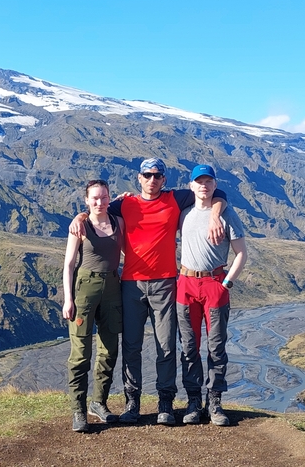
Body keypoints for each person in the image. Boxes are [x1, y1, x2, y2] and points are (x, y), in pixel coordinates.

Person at [70, 158, 226, 425]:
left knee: (165, 345)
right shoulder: (124, 204)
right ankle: (133, 402)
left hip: (165, 284)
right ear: (139, 178)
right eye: (147, 175)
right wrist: (80, 215)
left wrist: (214, 214)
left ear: (164, 179)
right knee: (131, 346)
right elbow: (98, 207)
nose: (152, 180)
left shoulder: (176, 199)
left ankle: (165, 400)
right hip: (131, 285)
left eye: (158, 175)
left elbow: (215, 191)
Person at [176, 164, 248, 427]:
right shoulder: (183, 214)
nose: (204, 186)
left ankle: (214, 401)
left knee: (216, 347)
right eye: (199, 182)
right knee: (189, 347)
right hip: (186, 283)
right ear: (191, 186)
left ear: (215, 185)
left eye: (208, 181)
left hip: (214, 284)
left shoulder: (227, 214)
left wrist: (227, 283)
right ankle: (193, 401)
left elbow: (241, 253)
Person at [62, 179, 125, 433]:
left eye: (104, 197)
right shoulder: (80, 226)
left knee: (109, 350)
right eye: (95, 198)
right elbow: (68, 265)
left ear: (110, 198)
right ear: (86, 200)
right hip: (84, 288)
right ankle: (78, 409)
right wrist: (68, 299)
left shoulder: (118, 221)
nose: (100, 202)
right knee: (81, 353)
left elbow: (129, 200)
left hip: (112, 286)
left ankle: (98, 402)